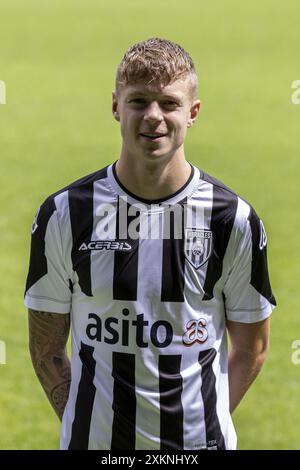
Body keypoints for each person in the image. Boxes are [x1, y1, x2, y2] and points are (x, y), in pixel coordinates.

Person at [25, 37, 276, 450]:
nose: (153, 116)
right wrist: (87, 427)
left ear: (193, 112)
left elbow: (253, 347)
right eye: (139, 101)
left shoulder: (232, 219)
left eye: (169, 103)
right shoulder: (65, 213)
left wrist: (200, 428)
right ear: (115, 107)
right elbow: (46, 349)